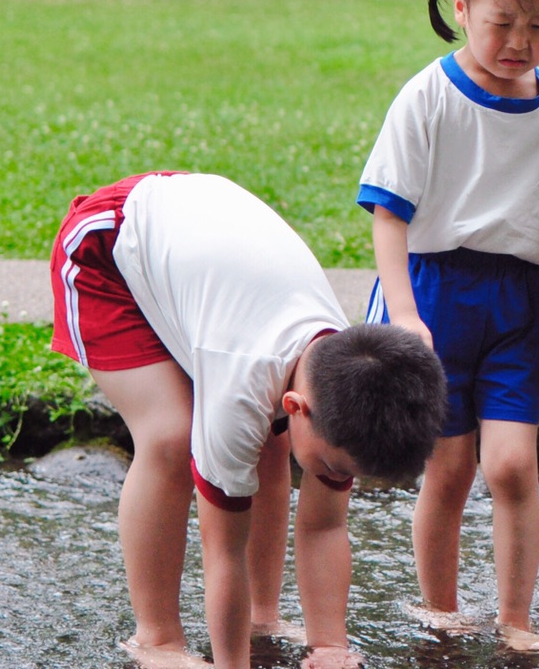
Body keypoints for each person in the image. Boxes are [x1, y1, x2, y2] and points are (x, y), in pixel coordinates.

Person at [48, 170, 447, 669]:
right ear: (297, 407)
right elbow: (224, 555)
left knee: (272, 444)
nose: (338, 480)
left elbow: (324, 527)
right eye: (336, 469)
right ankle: (155, 638)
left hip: (201, 247)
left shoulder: (347, 375)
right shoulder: (242, 390)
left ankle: (265, 616)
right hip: (106, 248)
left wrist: (330, 646)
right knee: (171, 437)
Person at [356, 0, 539, 651]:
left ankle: (515, 619)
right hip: (435, 295)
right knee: (448, 469)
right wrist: (406, 316)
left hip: (521, 304)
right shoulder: (430, 96)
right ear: (460, 8)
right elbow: (388, 214)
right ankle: (441, 612)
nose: (519, 42)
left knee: (513, 465)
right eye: (501, 22)